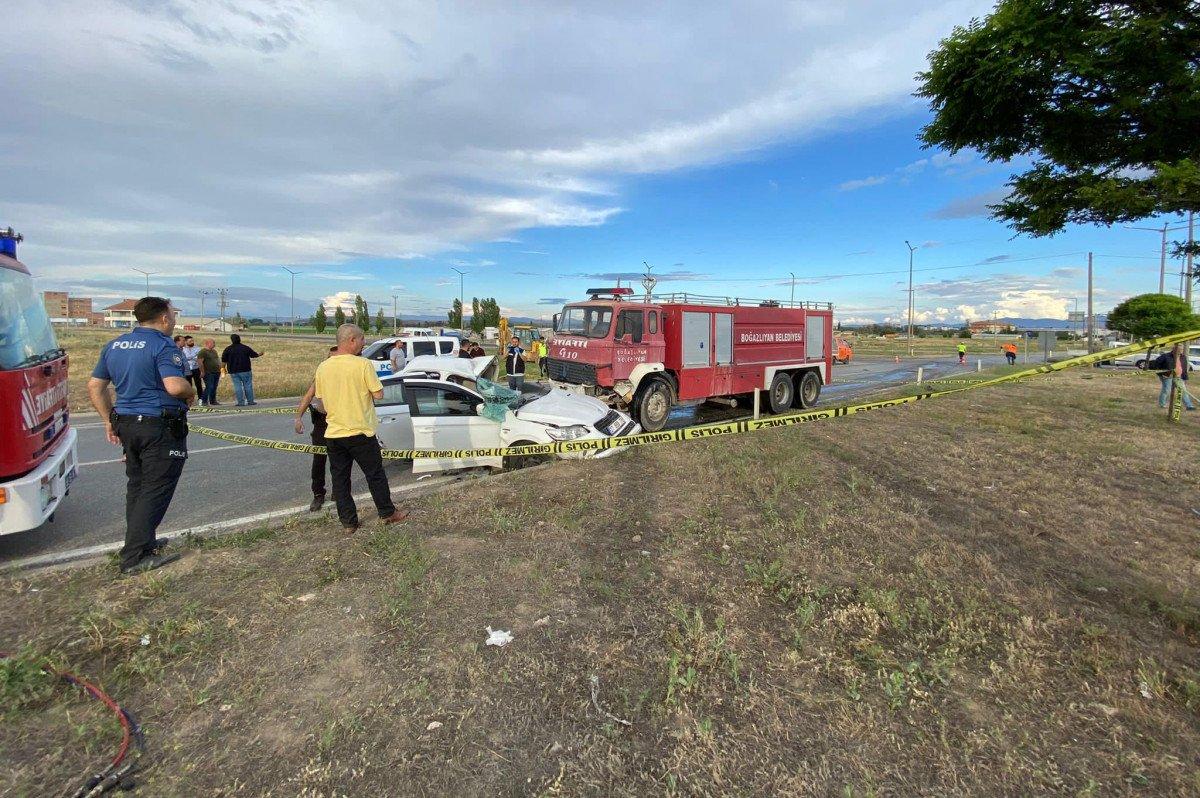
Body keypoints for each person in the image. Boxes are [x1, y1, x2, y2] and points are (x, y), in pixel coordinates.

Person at [87, 297, 195, 574]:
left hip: (126, 423)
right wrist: (191, 391)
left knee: (137, 485)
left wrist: (107, 420)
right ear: (163, 319)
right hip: (157, 425)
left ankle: (143, 542)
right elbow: (173, 386)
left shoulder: (114, 345)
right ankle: (134, 556)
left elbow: (95, 386)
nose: (173, 320)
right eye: (172, 315)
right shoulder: (162, 345)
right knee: (156, 487)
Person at [314, 324, 407, 532]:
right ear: (352, 340)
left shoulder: (324, 367)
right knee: (375, 475)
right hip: (360, 432)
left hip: (334, 434)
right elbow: (379, 394)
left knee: (340, 480)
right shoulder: (362, 365)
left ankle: (349, 522)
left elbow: (320, 402)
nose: (364, 344)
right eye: (363, 339)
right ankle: (387, 513)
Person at [294, 346, 338, 511]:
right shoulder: (321, 375)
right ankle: (318, 495)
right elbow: (308, 395)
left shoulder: (346, 375)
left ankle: (338, 492)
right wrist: (298, 417)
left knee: (339, 460)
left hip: (339, 421)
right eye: (330, 358)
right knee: (319, 460)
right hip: (322, 421)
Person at [221, 333, 262, 406]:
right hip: (245, 370)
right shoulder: (245, 348)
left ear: (232, 340)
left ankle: (240, 402)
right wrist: (260, 354)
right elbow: (254, 355)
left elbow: (224, 361)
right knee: (248, 385)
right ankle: (250, 401)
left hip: (233, 371)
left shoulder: (228, 349)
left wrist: (223, 369)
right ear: (239, 339)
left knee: (237, 386)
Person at [1154, 344, 1195, 411]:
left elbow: (1183, 367)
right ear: (1174, 350)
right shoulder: (1165, 356)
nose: (1181, 351)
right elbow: (1156, 364)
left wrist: (1184, 376)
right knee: (1166, 390)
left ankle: (1189, 406)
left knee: (1183, 391)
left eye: (1182, 349)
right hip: (1167, 376)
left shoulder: (1183, 357)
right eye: (1179, 350)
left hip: (1179, 377)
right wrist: (1162, 373)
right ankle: (1162, 404)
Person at [197, 338, 221, 406]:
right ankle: (204, 401)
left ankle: (213, 400)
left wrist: (220, 368)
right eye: (213, 343)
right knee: (209, 386)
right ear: (208, 343)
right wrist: (202, 372)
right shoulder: (203, 352)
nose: (214, 344)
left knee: (214, 387)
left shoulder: (214, 351)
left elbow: (217, 360)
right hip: (208, 372)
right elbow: (200, 362)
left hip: (216, 371)